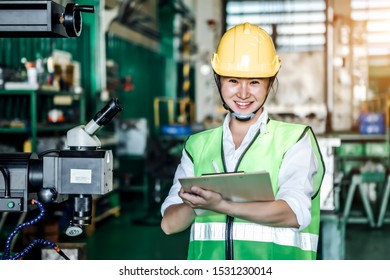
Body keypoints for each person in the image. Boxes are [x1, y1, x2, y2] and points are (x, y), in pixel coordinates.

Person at [160, 22, 325, 260]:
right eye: (233, 81)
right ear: (219, 81)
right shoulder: (197, 146)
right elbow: (169, 225)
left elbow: (294, 214)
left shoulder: (294, 140)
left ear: (270, 82)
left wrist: (221, 204)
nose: (244, 93)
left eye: (255, 82)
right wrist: (197, 204)